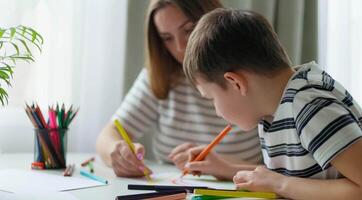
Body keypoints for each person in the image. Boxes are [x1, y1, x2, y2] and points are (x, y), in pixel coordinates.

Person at [183, 8, 362, 199]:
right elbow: (298, 180)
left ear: (235, 83)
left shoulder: (311, 106)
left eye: (211, 98)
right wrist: (228, 169)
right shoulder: (273, 110)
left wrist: (277, 184)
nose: (217, 111)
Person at [96, 0, 262, 180]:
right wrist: (118, 153)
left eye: (189, 30)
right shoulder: (161, 76)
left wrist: (223, 165)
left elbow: (285, 174)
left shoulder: (254, 77)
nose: (180, 48)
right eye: (167, 38)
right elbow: (109, 134)